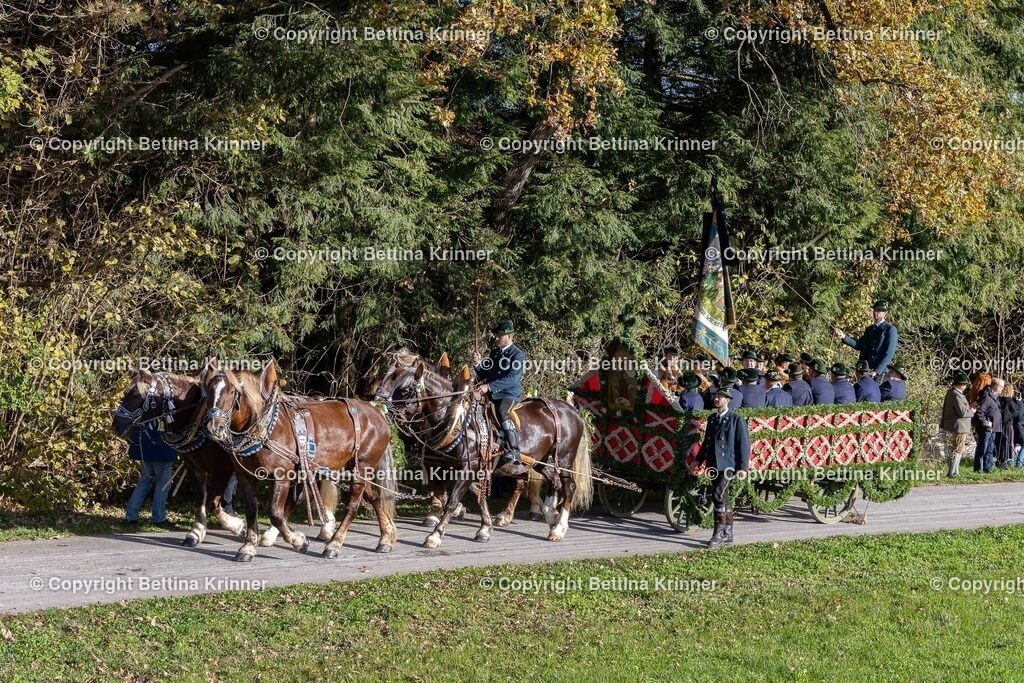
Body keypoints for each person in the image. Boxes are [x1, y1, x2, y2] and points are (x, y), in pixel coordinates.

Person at [473, 319, 528, 473]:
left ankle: (514, 450)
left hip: (509, 394)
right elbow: (485, 373)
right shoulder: (495, 353)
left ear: (509, 336)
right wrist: (478, 364)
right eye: (496, 335)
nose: (496, 338)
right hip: (491, 392)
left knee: (503, 412)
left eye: (499, 336)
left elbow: (513, 379)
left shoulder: (518, 355)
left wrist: (489, 386)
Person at [699, 386, 749, 548]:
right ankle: (728, 532)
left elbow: (743, 444)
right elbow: (707, 443)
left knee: (718, 496)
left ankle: (718, 533)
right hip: (714, 464)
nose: (716, 399)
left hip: (729, 464)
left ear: (727, 400)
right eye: (715, 396)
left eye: (720, 397)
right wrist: (698, 460)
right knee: (724, 498)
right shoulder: (712, 418)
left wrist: (742, 468)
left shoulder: (736, 419)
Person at [125, 422, 179, 526]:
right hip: (162, 450)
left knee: (144, 482)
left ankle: (130, 516)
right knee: (163, 485)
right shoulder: (164, 409)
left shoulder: (145, 408)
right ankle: (158, 518)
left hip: (145, 449)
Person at [832, 300, 899, 377]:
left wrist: (877, 371)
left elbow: (889, 354)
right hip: (865, 370)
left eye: (879, 311)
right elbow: (859, 345)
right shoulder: (869, 329)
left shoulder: (890, 329)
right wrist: (843, 336)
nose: (875, 312)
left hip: (879, 373)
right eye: (874, 310)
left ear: (885, 313)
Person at [972, 377, 1001, 474]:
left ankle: (988, 467)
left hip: (993, 428)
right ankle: (978, 469)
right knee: (982, 448)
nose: (1002, 389)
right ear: (996, 386)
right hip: (986, 428)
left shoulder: (995, 397)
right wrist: (985, 422)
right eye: (1001, 386)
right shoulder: (987, 397)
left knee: (990, 449)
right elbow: (980, 411)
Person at [996, 382, 1020, 469]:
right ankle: (1003, 461)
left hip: (999, 424)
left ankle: (1000, 460)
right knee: (1006, 443)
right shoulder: (1010, 401)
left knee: (1000, 442)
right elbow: (1015, 412)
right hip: (1007, 424)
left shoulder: (999, 399)